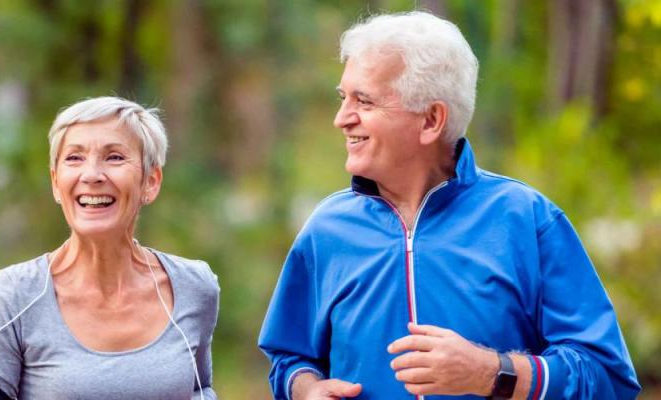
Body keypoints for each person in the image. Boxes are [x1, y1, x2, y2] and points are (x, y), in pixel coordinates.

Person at [258, 11, 640, 400]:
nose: (342, 119)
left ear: (431, 120)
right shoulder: (326, 230)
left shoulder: (527, 220)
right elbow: (290, 359)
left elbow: (607, 378)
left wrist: (492, 373)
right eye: (344, 98)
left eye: (365, 101)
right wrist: (307, 390)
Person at [0, 97, 219, 399]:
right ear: (56, 182)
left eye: (115, 158)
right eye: (74, 158)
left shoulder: (194, 286)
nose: (92, 174)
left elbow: (200, 390)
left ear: (151, 181)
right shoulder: (17, 295)